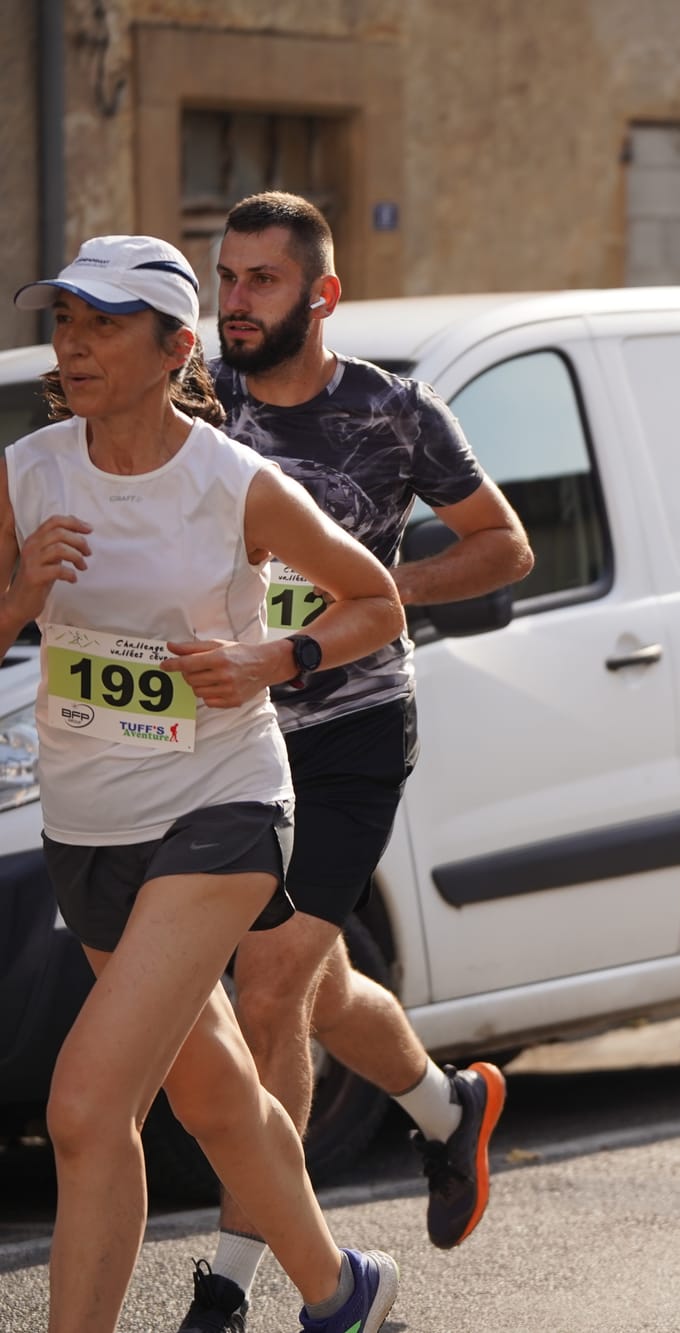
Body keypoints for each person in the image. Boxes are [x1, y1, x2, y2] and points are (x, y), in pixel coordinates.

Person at [9, 235, 404, 1333]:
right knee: (213, 1094)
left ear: (174, 346)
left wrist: (270, 661)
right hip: (89, 826)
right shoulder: (28, 470)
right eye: (65, 320)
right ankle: (342, 1290)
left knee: (87, 1108)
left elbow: (374, 600)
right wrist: (22, 588)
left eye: (102, 323)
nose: (74, 343)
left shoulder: (234, 484)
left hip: (220, 808)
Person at [169, 191, 534, 1332]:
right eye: (225, 280)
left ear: (320, 296)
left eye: (260, 282)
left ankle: (232, 1276)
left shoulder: (394, 414)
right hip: (227, 731)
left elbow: (503, 544)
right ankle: (447, 1105)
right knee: (313, 980)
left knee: (270, 988)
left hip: (349, 734)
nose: (235, 302)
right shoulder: (200, 400)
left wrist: (382, 587)